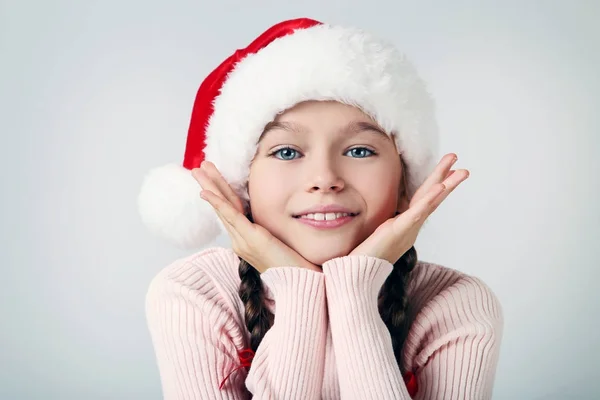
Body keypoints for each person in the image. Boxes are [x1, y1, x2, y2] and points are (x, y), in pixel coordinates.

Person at [138, 17, 503, 400]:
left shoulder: (457, 303)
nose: (325, 178)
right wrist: (298, 290)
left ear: (405, 185)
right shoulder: (194, 293)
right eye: (287, 152)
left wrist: (355, 291)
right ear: (242, 187)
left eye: (360, 150)